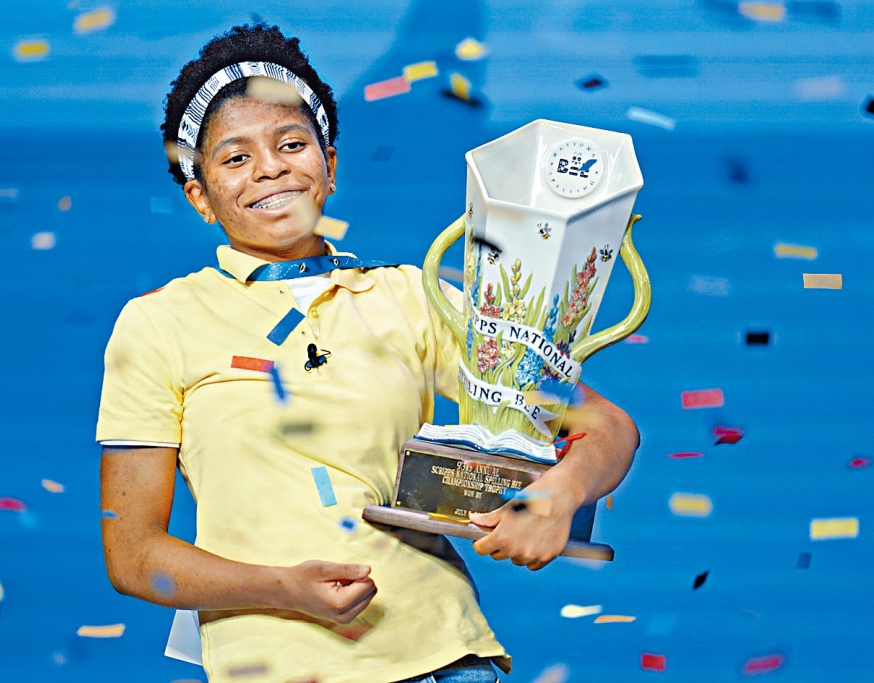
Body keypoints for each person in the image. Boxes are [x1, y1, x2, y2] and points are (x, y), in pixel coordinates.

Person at [96, 24, 639, 683]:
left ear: (329, 166)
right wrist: (283, 588)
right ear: (200, 196)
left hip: (447, 659)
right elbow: (133, 556)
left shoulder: (413, 296)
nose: (270, 168)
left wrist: (557, 495)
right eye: (235, 158)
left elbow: (608, 427)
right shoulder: (158, 322)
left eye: (291, 144)